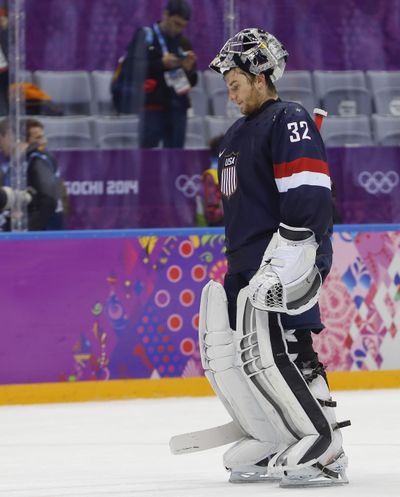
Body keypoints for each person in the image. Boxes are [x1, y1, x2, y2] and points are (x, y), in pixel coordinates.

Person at [196, 28, 350, 487]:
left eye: (236, 79)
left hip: (282, 261)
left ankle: (323, 445)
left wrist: (295, 256)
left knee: (288, 351)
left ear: (261, 75)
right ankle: (276, 436)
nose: (230, 88)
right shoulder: (236, 134)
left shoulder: (289, 119)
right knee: (234, 354)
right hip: (245, 263)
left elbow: (309, 195)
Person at [111, 0, 198, 148]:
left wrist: (189, 69)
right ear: (165, 15)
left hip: (177, 108)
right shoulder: (146, 36)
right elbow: (131, 68)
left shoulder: (183, 43)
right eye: (176, 23)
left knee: (176, 157)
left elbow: (191, 82)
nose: (178, 29)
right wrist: (161, 63)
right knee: (148, 156)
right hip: (152, 107)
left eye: (183, 26)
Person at [0, 117, 60, 230]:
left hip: (43, 237)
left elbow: (48, 200)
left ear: (9, 135)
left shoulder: (36, 160)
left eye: (0, 138)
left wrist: (29, 231)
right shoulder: (16, 164)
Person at [24, 118, 66, 229]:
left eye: (42, 137)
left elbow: (48, 199)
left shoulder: (38, 160)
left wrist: (31, 229)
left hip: (47, 224)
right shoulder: (33, 158)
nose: (44, 141)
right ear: (25, 141)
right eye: (38, 138)